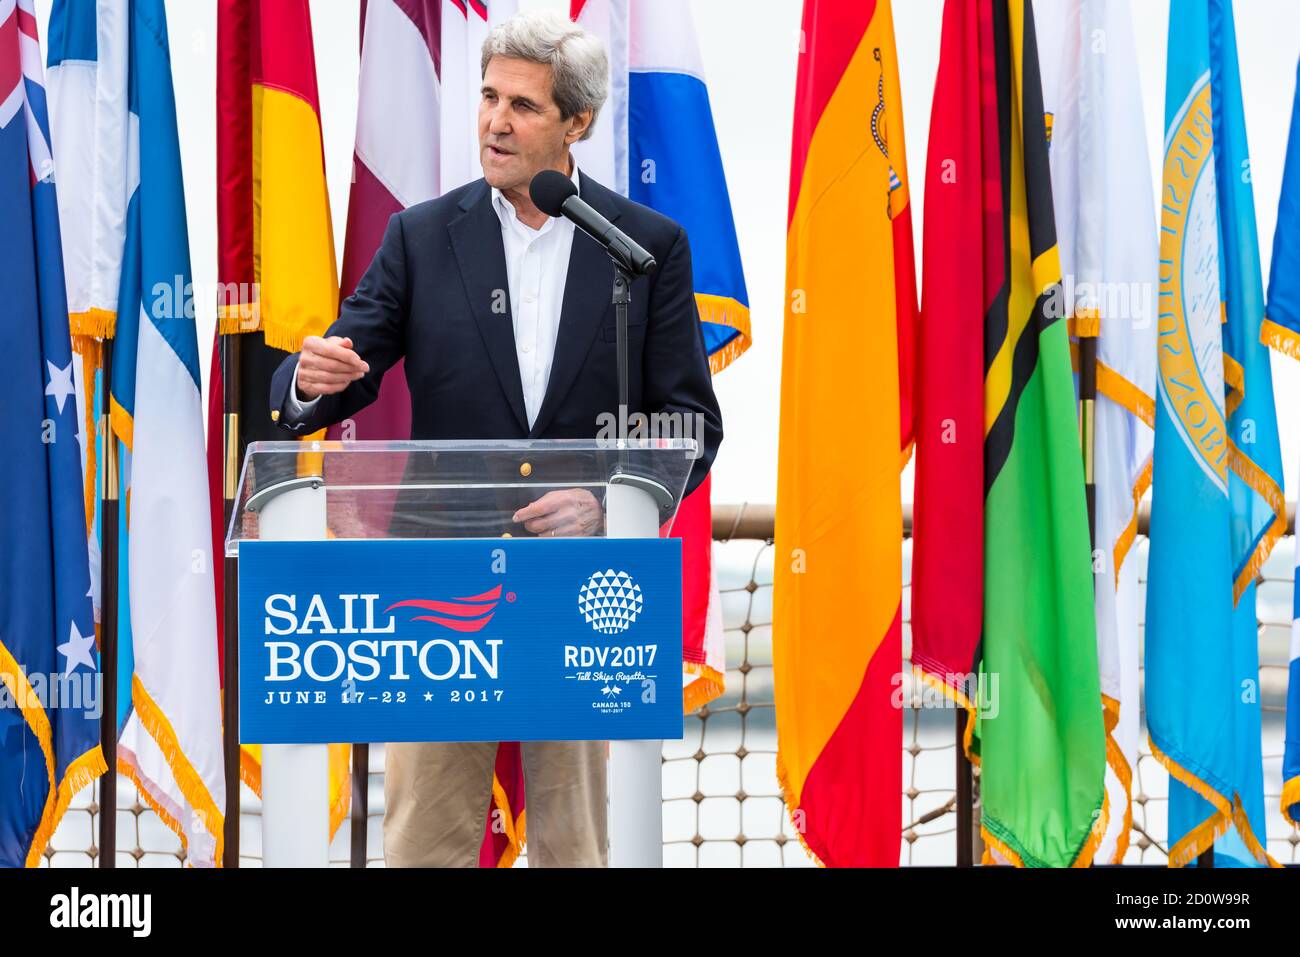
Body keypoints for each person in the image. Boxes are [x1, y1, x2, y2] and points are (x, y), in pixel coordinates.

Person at [268, 10, 722, 867]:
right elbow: (342, 365)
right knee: (423, 841)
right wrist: (308, 378)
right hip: (437, 578)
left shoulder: (645, 249)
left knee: (575, 844)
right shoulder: (421, 235)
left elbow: (691, 423)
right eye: (487, 97)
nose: (495, 122)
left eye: (523, 105)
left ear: (577, 123)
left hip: (587, 591)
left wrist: (611, 501)